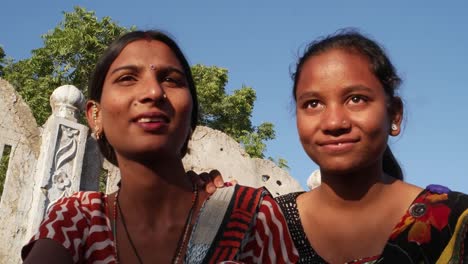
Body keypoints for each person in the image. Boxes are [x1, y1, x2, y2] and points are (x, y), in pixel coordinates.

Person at [21, 30, 298, 264]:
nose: (153, 92)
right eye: (127, 78)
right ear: (96, 115)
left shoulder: (251, 215)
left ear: (190, 117)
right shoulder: (78, 219)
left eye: (171, 79)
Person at [272, 29, 468, 263]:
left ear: (394, 115)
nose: (334, 122)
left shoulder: (454, 224)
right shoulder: (265, 226)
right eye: (313, 104)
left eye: (356, 99)